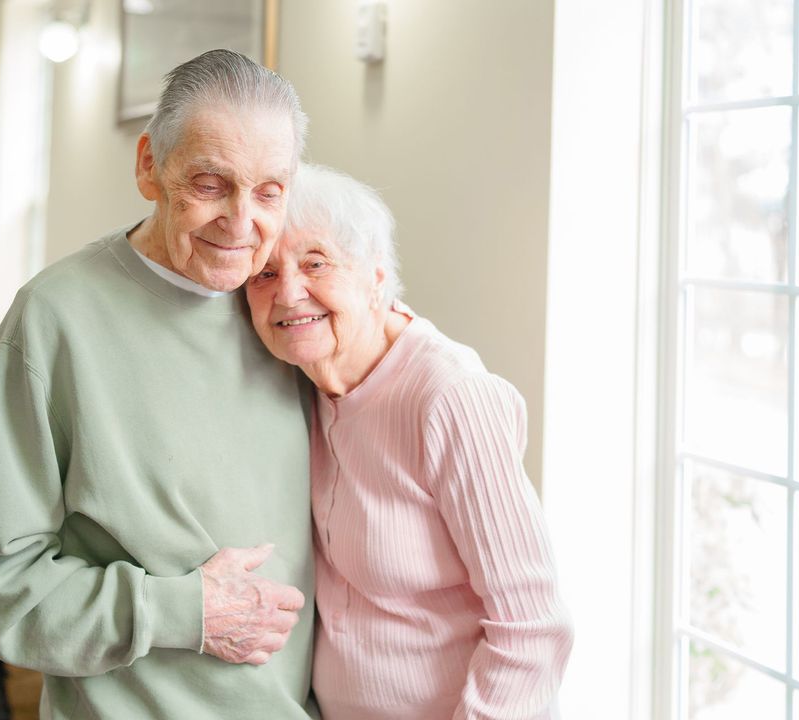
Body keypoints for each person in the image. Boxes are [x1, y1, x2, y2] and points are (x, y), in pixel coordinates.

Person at [0, 50, 319, 719]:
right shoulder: (55, 318)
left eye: (268, 191)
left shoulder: (289, 307)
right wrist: (182, 611)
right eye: (209, 183)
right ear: (149, 166)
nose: (241, 222)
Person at [246, 163, 574, 719]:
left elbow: (534, 626)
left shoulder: (450, 397)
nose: (289, 292)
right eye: (265, 273)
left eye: (315, 262)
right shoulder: (304, 381)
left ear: (376, 276)